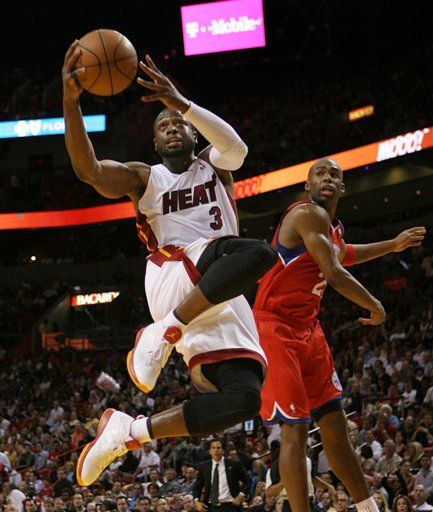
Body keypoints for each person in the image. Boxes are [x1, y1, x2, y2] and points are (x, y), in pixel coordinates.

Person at [62, 42, 277, 487]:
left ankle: (127, 432)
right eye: (163, 125)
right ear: (155, 141)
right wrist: (70, 103)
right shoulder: (146, 177)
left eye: (179, 122)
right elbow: (90, 172)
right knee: (257, 252)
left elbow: (235, 149)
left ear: (195, 134)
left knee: (243, 399)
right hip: (172, 273)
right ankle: (165, 330)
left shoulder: (216, 168)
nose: (173, 127)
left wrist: (181, 102)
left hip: (219, 289)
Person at [253, 157, 426, 512]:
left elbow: (345, 253)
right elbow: (333, 271)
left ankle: (367, 507)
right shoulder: (305, 214)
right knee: (295, 430)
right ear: (308, 185)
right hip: (274, 327)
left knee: (334, 423)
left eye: (334, 174)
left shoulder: (333, 228)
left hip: (307, 329)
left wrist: (391, 245)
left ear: (342, 187)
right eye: (320, 173)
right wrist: (374, 303)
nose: (327, 177)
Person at [193, 438, 249, 512]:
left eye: (218, 448)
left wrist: (240, 496)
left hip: (230, 505)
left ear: (223, 450)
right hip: (210, 506)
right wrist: (196, 502)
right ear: (209, 451)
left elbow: (247, 481)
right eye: (213, 448)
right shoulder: (203, 466)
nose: (216, 450)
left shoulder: (234, 464)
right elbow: (197, 487)